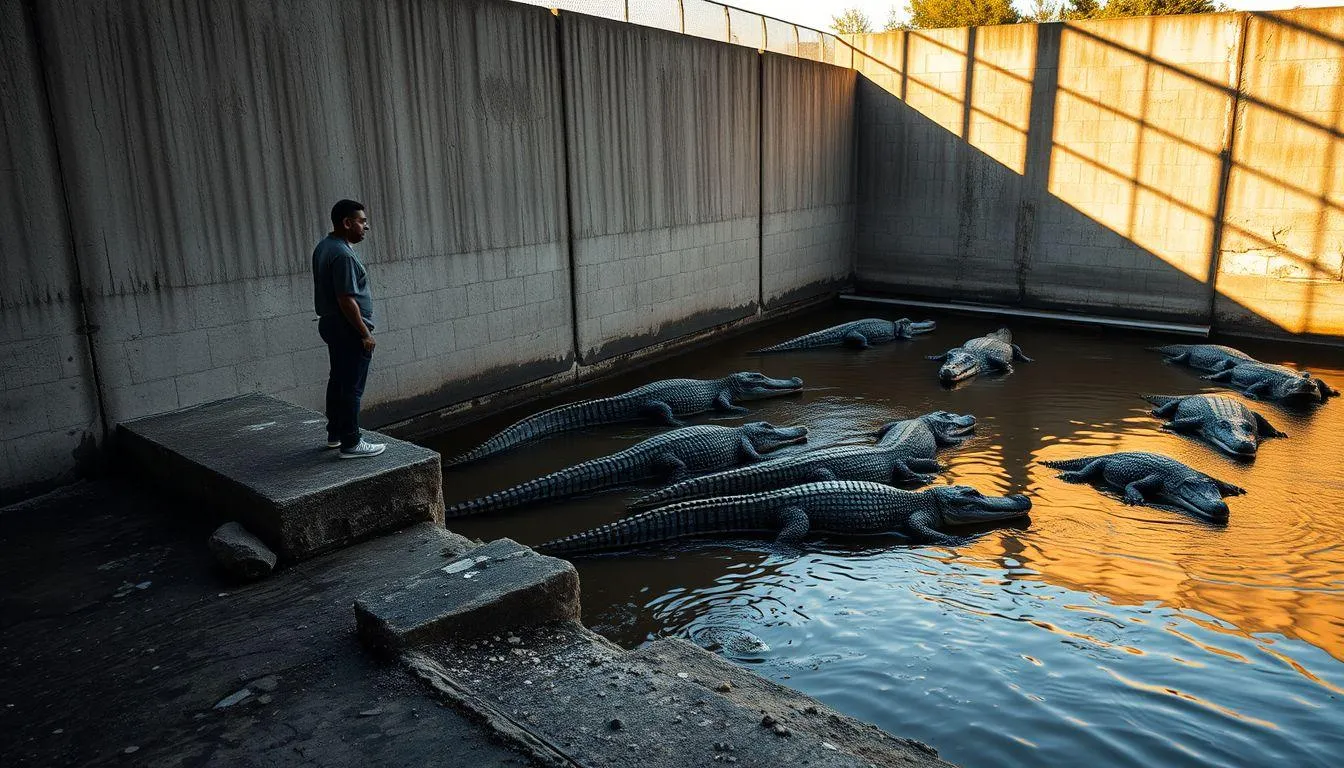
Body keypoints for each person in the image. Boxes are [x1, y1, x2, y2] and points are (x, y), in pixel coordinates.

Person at [312, 199, 385, 458]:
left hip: (333, 325)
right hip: (348, 329)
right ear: (347, 222)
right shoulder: (342, 254)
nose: (366, 227)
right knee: (352, 386)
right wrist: (365, 333)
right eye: (362, 221)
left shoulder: (325, 247)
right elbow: (346, 299)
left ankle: (335, 434)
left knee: (338, 381)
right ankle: (352, 442)